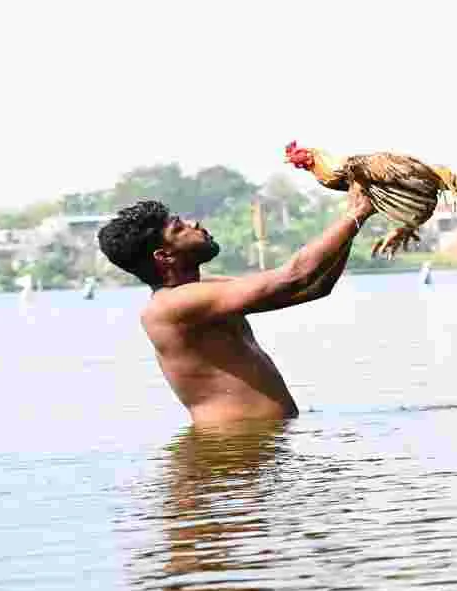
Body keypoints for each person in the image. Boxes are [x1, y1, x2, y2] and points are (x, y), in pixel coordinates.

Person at [97, 182, 376, 425]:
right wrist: (355, 215)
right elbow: (296, 276)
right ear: (164, 256)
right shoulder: (170, 307)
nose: (194, 225)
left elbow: (315, 287)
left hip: (249, 448)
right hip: (227, 456)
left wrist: (352, 223)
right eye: (179, 228)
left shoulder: (204, 290)